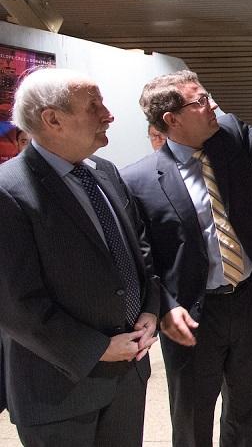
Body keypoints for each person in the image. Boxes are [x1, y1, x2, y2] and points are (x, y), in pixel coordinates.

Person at [121, 69, 252, 447]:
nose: (212, 106)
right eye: (200, 101)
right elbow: (142, 259)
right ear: (171, 120)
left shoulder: (230, 138)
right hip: (191, 316)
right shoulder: (139, 181)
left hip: (245, 301)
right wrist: (164, 307)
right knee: (193, 418)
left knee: (246, 411)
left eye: (207, 96)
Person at [0, 68, 159, 446]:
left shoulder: (104, 172)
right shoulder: (8, 192)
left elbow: (139, 247)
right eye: (94, 106)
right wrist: (98, 348)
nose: (109, 114)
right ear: (52, 119)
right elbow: (15, 305)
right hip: (59, 390)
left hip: (126, 380)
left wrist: (150, 309)